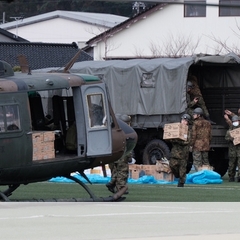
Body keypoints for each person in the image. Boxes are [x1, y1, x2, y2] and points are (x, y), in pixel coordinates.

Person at [106, 114, 132, 194]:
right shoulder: (124, 131)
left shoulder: (113, 130)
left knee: (115, 170)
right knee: (122, 171)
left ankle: (112, 183)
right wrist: (129, 156)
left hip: (113, 154)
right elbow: (127, 144)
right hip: (121, 154)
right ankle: (120, 188)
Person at [168, 113, 192, 187]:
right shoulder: (176, 129)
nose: (183, 122)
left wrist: (177, 140)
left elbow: (186, 141)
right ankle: (177, 176)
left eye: (185, 121)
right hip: (175, 153)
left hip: (183, 154)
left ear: (188, 122)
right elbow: (170, 140)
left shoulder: (188, 132)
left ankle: (181, 183)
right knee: (172, 165)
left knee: (182, 170)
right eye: (182, 120)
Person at [190, 107, 212, 171]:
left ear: (198, 115)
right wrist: (208, 143)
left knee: (197, 162)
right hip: (206, 145)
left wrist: (191, 144)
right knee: (206, 162)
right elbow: (210, 135)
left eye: (194, 114)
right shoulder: (208, 123)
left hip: (197, 145)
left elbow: (193, 135)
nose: (193, 115)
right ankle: (207, 175)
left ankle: (199, 176)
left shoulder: (195, 123)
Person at [225, 115, 240, 182]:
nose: (235, 122)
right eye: (234, 121)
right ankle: (231, 176)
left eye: (236, 121)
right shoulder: (230, 130)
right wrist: (231, 139)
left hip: (239, 150)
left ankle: (239, 177)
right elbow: (226, 138)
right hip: (232, 150)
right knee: (231, 164)